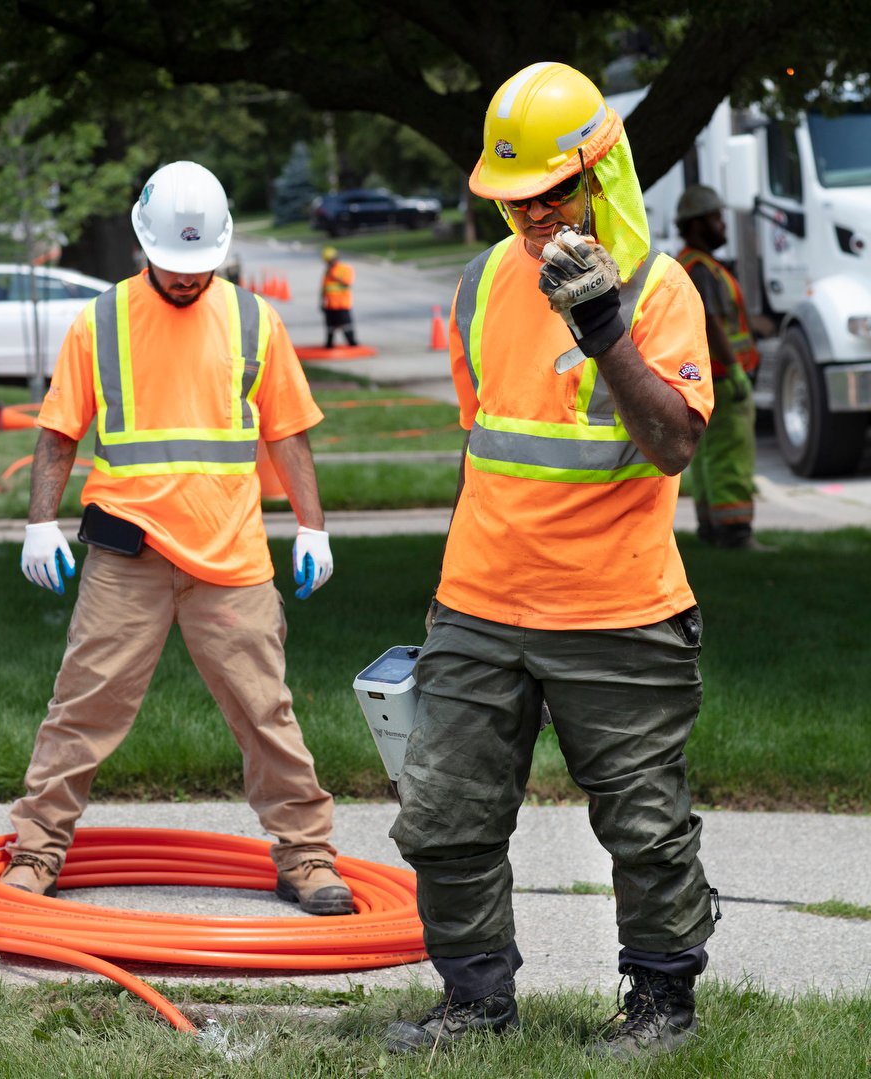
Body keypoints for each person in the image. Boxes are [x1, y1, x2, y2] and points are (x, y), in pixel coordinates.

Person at [386, 62, 720, 1060]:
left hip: (617, 609)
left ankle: (660, 1004)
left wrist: (603, 326)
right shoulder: (482, 281)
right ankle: (474, 1001)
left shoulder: (661, 293)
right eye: (513, 200)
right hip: (480, 602)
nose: (532, 220)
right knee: (442, 809)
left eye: (551, 196)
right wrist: (450, 593)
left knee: (643, 822)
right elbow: (482, 437)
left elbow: (670, 444)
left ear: (597, 175)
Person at [2, 160, 353, 917]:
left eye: (202, 266)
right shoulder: (100, 320)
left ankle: (307, 855)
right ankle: (35, 849)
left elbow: (288, 433)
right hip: (128, 556)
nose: (189, 279)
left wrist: (314, 528)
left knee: (267, 710)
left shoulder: (255, 320)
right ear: (143, 244)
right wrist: (39, 521)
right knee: (83, 705)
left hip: (230, 558)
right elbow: (60, 433)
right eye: (174, 264)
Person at [676, 184, 765, 549]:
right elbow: (711, 323)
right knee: (731, 456)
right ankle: (736, 533)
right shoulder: (699, 269)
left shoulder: (693, 265)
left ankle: (712, 529)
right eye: (715, 218)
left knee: (710, 458)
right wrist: (735, 367)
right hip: (725, 379)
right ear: (696, 225)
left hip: (709, 379)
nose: (722, 225)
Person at [319, 246, 357, 348]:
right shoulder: (327, 272)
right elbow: (324, 288)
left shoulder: (344, 269)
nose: (328, 263)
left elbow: (347, 283)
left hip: (342, 304)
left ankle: (352, 344)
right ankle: (329, 345)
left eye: (329, 261)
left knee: (347, 326)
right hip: (330, 305)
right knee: (330, 328)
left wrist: (333, 275)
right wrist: (321, 302)